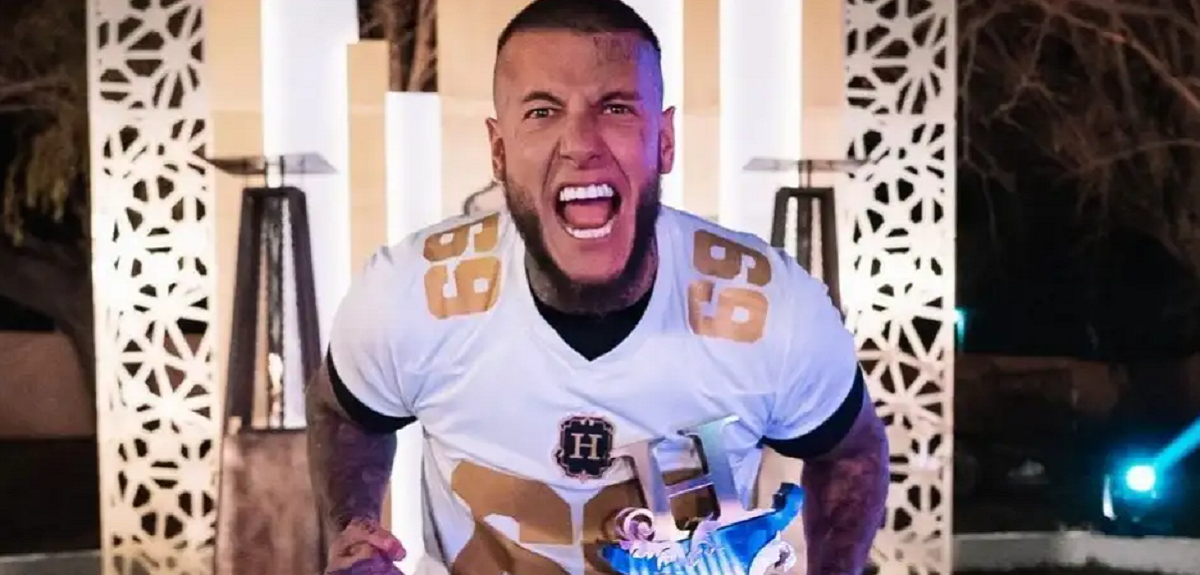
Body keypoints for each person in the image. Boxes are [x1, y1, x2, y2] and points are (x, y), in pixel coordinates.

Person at [305, 0, 889, 573]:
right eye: (542, 111)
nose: (581, 143)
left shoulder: (774, 307)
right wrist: (353, 529)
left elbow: (850, 451)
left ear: (664, 141)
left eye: (615, 108)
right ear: (499, 152)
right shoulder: (408, 293)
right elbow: (346, 409)